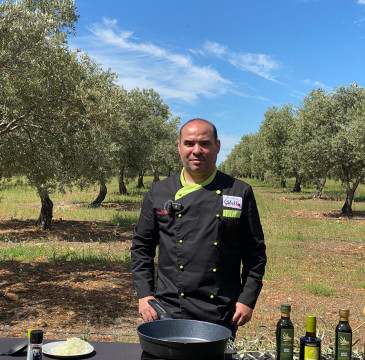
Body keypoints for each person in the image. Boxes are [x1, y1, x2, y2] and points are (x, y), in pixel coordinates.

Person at [131, 118, 266, 336]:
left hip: (222, 310)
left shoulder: (239, 192)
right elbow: (141, 248)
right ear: (179, 147)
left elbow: (255, 253)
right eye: (189, 143)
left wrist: (247, 299)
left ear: (217, 146)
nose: (196, 150)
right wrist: (144, 294)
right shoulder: (159, 192)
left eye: (204, 143)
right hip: (168, 309)